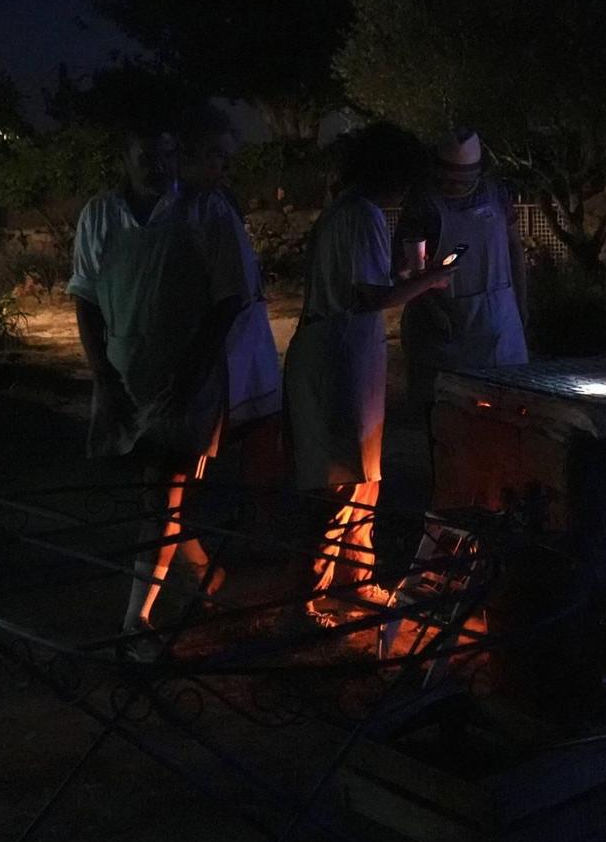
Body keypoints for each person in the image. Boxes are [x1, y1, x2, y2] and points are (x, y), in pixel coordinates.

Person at [114, 107, 282, 630]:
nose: (223, 167)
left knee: (164, 487)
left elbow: (229, 297)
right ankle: (198, 581)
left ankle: (141, 616)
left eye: (226, 158)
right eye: (214, 156)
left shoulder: (208, 207)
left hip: (205, 369)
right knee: (163, 488)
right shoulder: (162, 211)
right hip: (173, 368)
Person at [284, 123, 457, 626]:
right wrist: (429, 281)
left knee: (363, 477)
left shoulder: (351, 211)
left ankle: (354, 582)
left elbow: (367, 284)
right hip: (336, 356)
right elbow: (368, 297)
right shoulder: (359, 214)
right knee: (339, 480)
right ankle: (300, 603)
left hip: (348, 354)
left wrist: (407, 279)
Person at [67, 113, 179, 460]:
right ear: (125, 161)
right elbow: (85, 298)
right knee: (126, 475)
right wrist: (102, 375)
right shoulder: (99, 215)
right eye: (147, 157)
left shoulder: (194, 209)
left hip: (180, 376)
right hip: (121, 372)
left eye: (167, 156)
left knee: (175, 471)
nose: (159, 167)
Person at [396, 129, 528, 411]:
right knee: (447, 415)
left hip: (501, 324)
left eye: (462, 181)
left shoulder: (496, 195)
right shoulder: (422, 204)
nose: (455, 187)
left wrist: (522, 305)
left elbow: (515, 250)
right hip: (442, 329)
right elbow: (406, 270)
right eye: (449, 180)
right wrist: (434, 310)